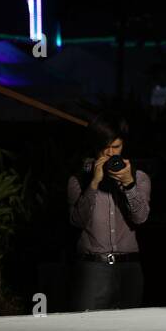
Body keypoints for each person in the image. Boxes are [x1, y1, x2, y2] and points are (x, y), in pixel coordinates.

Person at [67, 116, 151, 310]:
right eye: (105, 147)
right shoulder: (79, 179)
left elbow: (141, 217)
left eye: (116, 147)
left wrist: (129, 185)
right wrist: (94, 183)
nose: (110, 153)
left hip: (129, 268)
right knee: (88, 329)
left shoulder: (139, 177)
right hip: (93, 268)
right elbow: (76, 221)